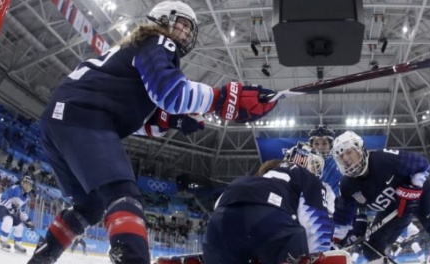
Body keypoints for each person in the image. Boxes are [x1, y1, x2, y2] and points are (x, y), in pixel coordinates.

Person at [27, 1, 277, 264]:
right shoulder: (158, 41)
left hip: (60, 121)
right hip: (83, 118)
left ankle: (40, 260)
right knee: (123, 194)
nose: (186, 33)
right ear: (162, 20)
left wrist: (173, 121)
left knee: (89, 206)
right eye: (182, 24)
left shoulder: (131, 51)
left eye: (189, 29)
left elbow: (134, 120)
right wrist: (223, 98)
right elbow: (170, 92)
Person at [331, 131, 430, 264]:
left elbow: (422, 164)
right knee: (371, 249)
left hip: (422, 194)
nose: (345, 159)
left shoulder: (384, 159)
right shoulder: (347, 186)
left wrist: (412, 189)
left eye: (349, 152)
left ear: (360, 149)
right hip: (396, 209)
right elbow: (346, 217)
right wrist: (343, 238)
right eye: (340, 156)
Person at [202, 143, 345, 264]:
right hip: (268, 219)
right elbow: (316, 226)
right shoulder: (306, 177)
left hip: (220, 220)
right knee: (299, 238)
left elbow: (218, 206)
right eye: (315, 165)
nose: (316, 170)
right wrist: (320, 255)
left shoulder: (261, 177)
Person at [0, 175, 35, 253]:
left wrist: (28, 221)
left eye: (29, 185)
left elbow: (21, 211)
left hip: (9, 210)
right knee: (9, 219)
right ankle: (3, 241)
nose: (27, 186)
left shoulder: (26, 198)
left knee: (20, 226)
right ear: (22, 183)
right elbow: (3, 197)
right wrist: (11, 206)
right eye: (26, 183)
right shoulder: (15, 188)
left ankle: (18, 245)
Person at [307, 125, 341, 195]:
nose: (320, 147)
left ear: (330, 145)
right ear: (311, 146)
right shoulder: (304, 164)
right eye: (316, 143)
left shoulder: (339, 163)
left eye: (324, 143)